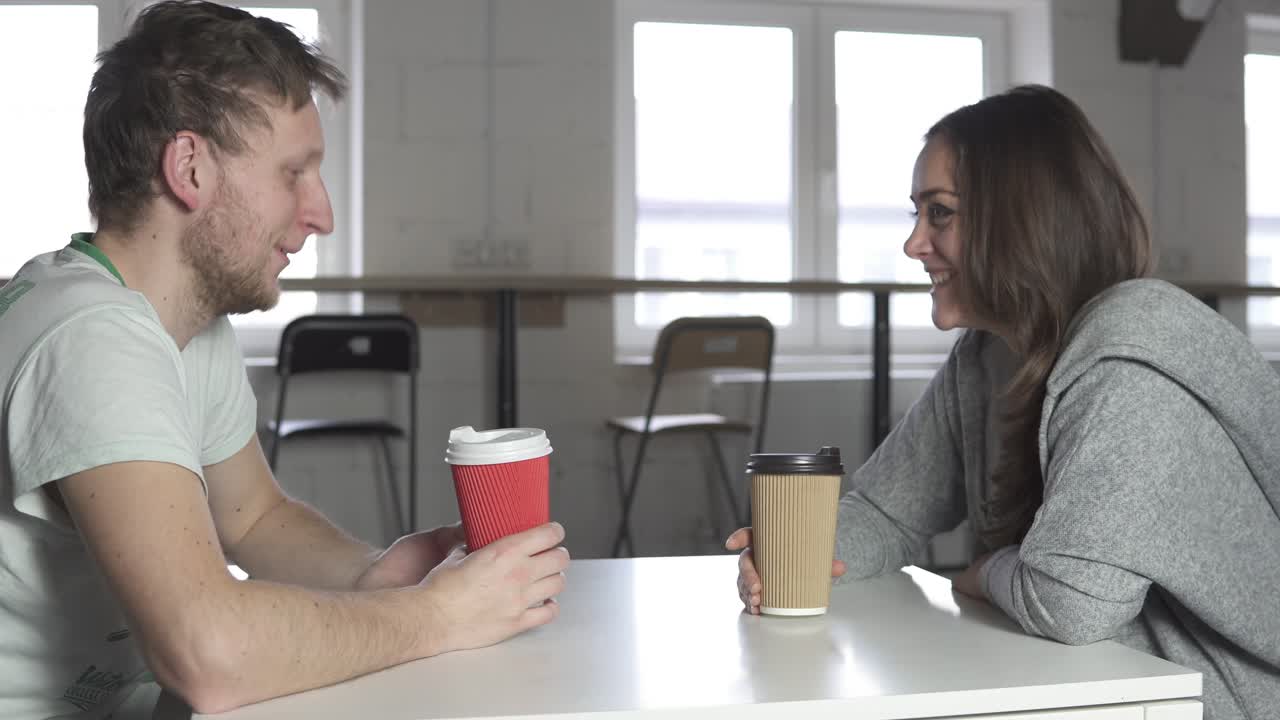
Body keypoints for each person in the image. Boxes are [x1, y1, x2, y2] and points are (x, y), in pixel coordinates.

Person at [0, 2, 569, 717]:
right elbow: (208, 653)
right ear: (189, 168)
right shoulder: (93, 336)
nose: (321, 211)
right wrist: (439, 616)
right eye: (294, 171)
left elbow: (255, 519)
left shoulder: (175, 322)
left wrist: (375, 576)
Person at [728, 84, 1280, 719]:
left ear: (1021, 217)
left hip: (1215, 702)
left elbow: (1068, 602)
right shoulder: (989, 353)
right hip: (1094, 686)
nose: (913, 245)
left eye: (940, 213)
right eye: (916, 215)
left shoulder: (1130, 362)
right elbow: (887, 513)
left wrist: (984, 570)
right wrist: (790, 553)